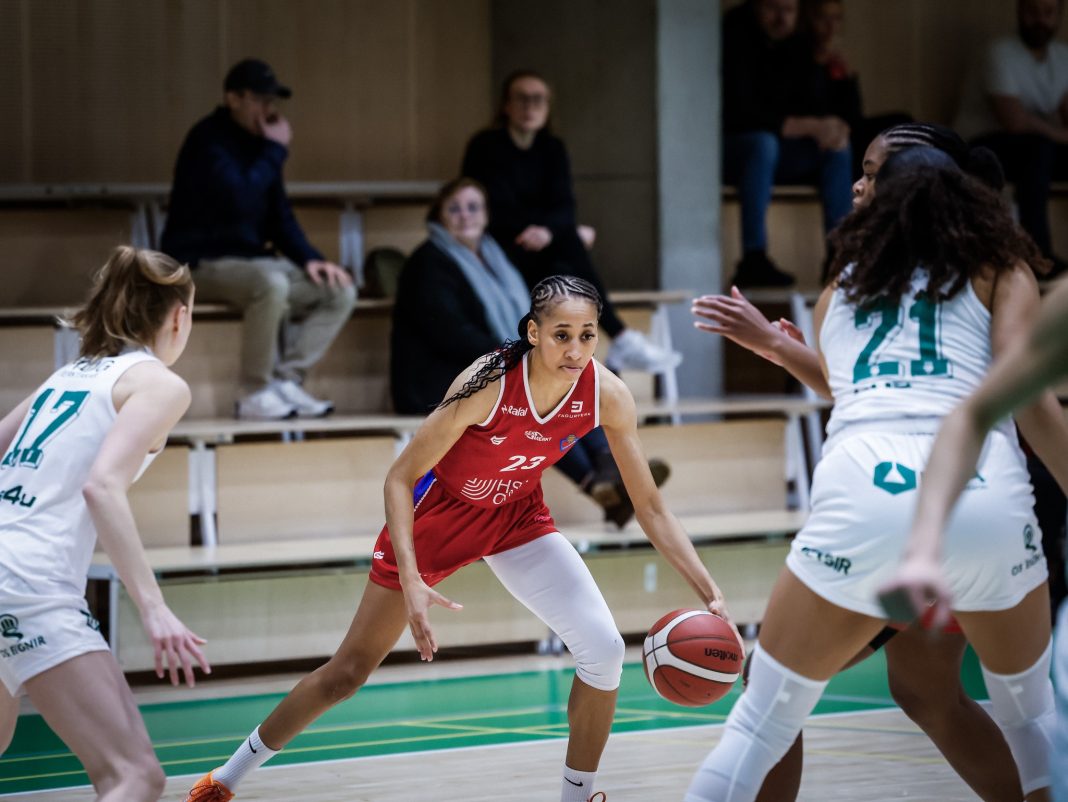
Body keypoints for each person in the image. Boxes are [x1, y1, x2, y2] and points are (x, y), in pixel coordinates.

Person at [185, 275, 734, 802]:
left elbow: (650, 506)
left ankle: (578, 797)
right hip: (437, 518)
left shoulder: (606, 394)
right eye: (562, 335)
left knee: (605, 651)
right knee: (347, 673)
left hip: (517, 517)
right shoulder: (488, 382)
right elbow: (399, 478)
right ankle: (223, 781)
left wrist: (709, 591)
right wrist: (411, 577)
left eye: (587, 335)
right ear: (534, 332)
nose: (575, 350)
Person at [685, 148, 1062, 802]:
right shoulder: (1001, 269)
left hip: (866, 491)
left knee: (759, 722)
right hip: (983, 494)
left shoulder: (843, 288)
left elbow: (855, 389)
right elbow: (1021, 386)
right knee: (1033, 723)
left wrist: (778, 345)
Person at [0, 246, 210, 800]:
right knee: (135, 775)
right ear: (179, 316)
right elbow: (102, 486)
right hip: (31, 582)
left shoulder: (64, 378)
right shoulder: (160, 384)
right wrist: (153, 607)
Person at [881, 276, 1068, 802]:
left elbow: (1017, 396)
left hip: (907, 512)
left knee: (771, 693)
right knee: (926, 689)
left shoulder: (995, 273)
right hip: (959, 510)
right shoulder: (867, 275)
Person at [391, 178, 669, 528]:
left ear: (486, 214)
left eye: (473, 207)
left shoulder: (495, 254)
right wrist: (516, 355)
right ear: (439, 215)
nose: (465, 215)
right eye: (454, 208)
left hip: (491, 365)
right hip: (439, 380)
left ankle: (602, 475)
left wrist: (571, 236)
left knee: (559, 376)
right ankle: (603, 473)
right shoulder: (428, 262)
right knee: (534, 390)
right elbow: (450, 333)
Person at [161, 58, 356, 420]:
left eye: (272, 102)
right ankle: (255, 391)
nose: (268, 110)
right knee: (270, 283)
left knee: (339, 290)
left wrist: (311, 258)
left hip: (252, 261)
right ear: (233, 98)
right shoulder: (207, 140)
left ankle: (287, 381)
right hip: (198, 262)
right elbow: (239, 197)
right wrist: (276, 151)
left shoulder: (262, 146)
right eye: (259, 100)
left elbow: (280, 216)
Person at [461, 71, 682, 373]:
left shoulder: (552, 148)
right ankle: (618, 339)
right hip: (503, 244)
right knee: (569, 250)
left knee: (564, 265)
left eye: (538, 100)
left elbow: (565, 205)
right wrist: (551, 230)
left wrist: (550, 231)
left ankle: (595, 358)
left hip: (546, 249)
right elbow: (493, 208)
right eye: (522, 99)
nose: (530, 107)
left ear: (548, 107)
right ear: (506, 105)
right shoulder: (486, 146)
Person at [721, 0, 854, 287]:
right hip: (734, 153)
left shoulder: (799, 44)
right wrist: (807, 125)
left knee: (836, 147)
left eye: (789, 10)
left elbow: (821, 110)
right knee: (763, 143)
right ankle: (753, 258)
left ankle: (840, 257)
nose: (781, 18)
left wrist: (834, 122)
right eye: (773, 8)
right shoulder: (735, 33)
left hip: (782, 155)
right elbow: (740, 113)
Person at [955, 0, 1068, 274]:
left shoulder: (1062, 56)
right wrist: (1061, 136)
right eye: (1032, 12)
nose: (1040, 20)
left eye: (1048, 13)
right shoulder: (999, 53)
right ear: (1019, 11)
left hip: (1039, 148)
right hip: (981, 147)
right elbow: (1014, 121)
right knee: (1039, 149)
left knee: (1042, 149)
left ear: (1059, 16)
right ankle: (1037, 255)